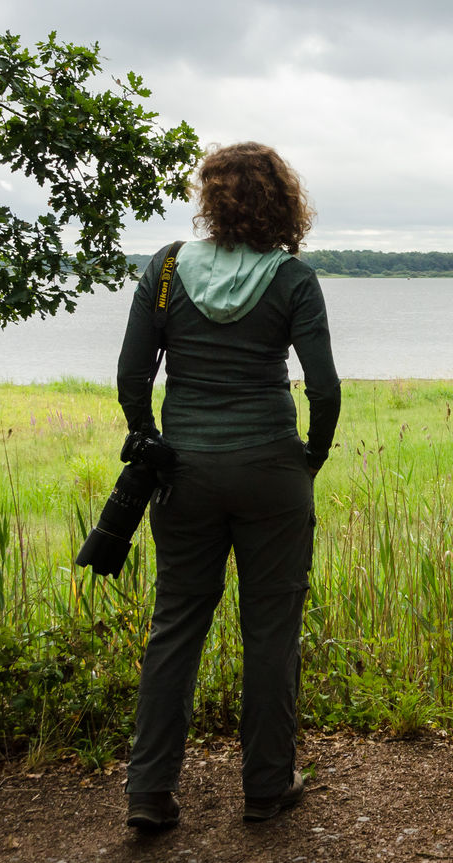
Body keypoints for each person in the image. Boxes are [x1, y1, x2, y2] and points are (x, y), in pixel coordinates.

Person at [116, 142, 340, 828]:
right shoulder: (292, 278)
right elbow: (324, 389)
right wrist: (310, 458)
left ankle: (149, 793)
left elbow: (132, 375)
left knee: (176, 624)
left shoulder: (167, 267)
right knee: (271, 630)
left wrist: (148, 436)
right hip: (271, 470)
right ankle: (268, 786)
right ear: (283, 200)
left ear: (210, 198)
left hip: (184, 470)